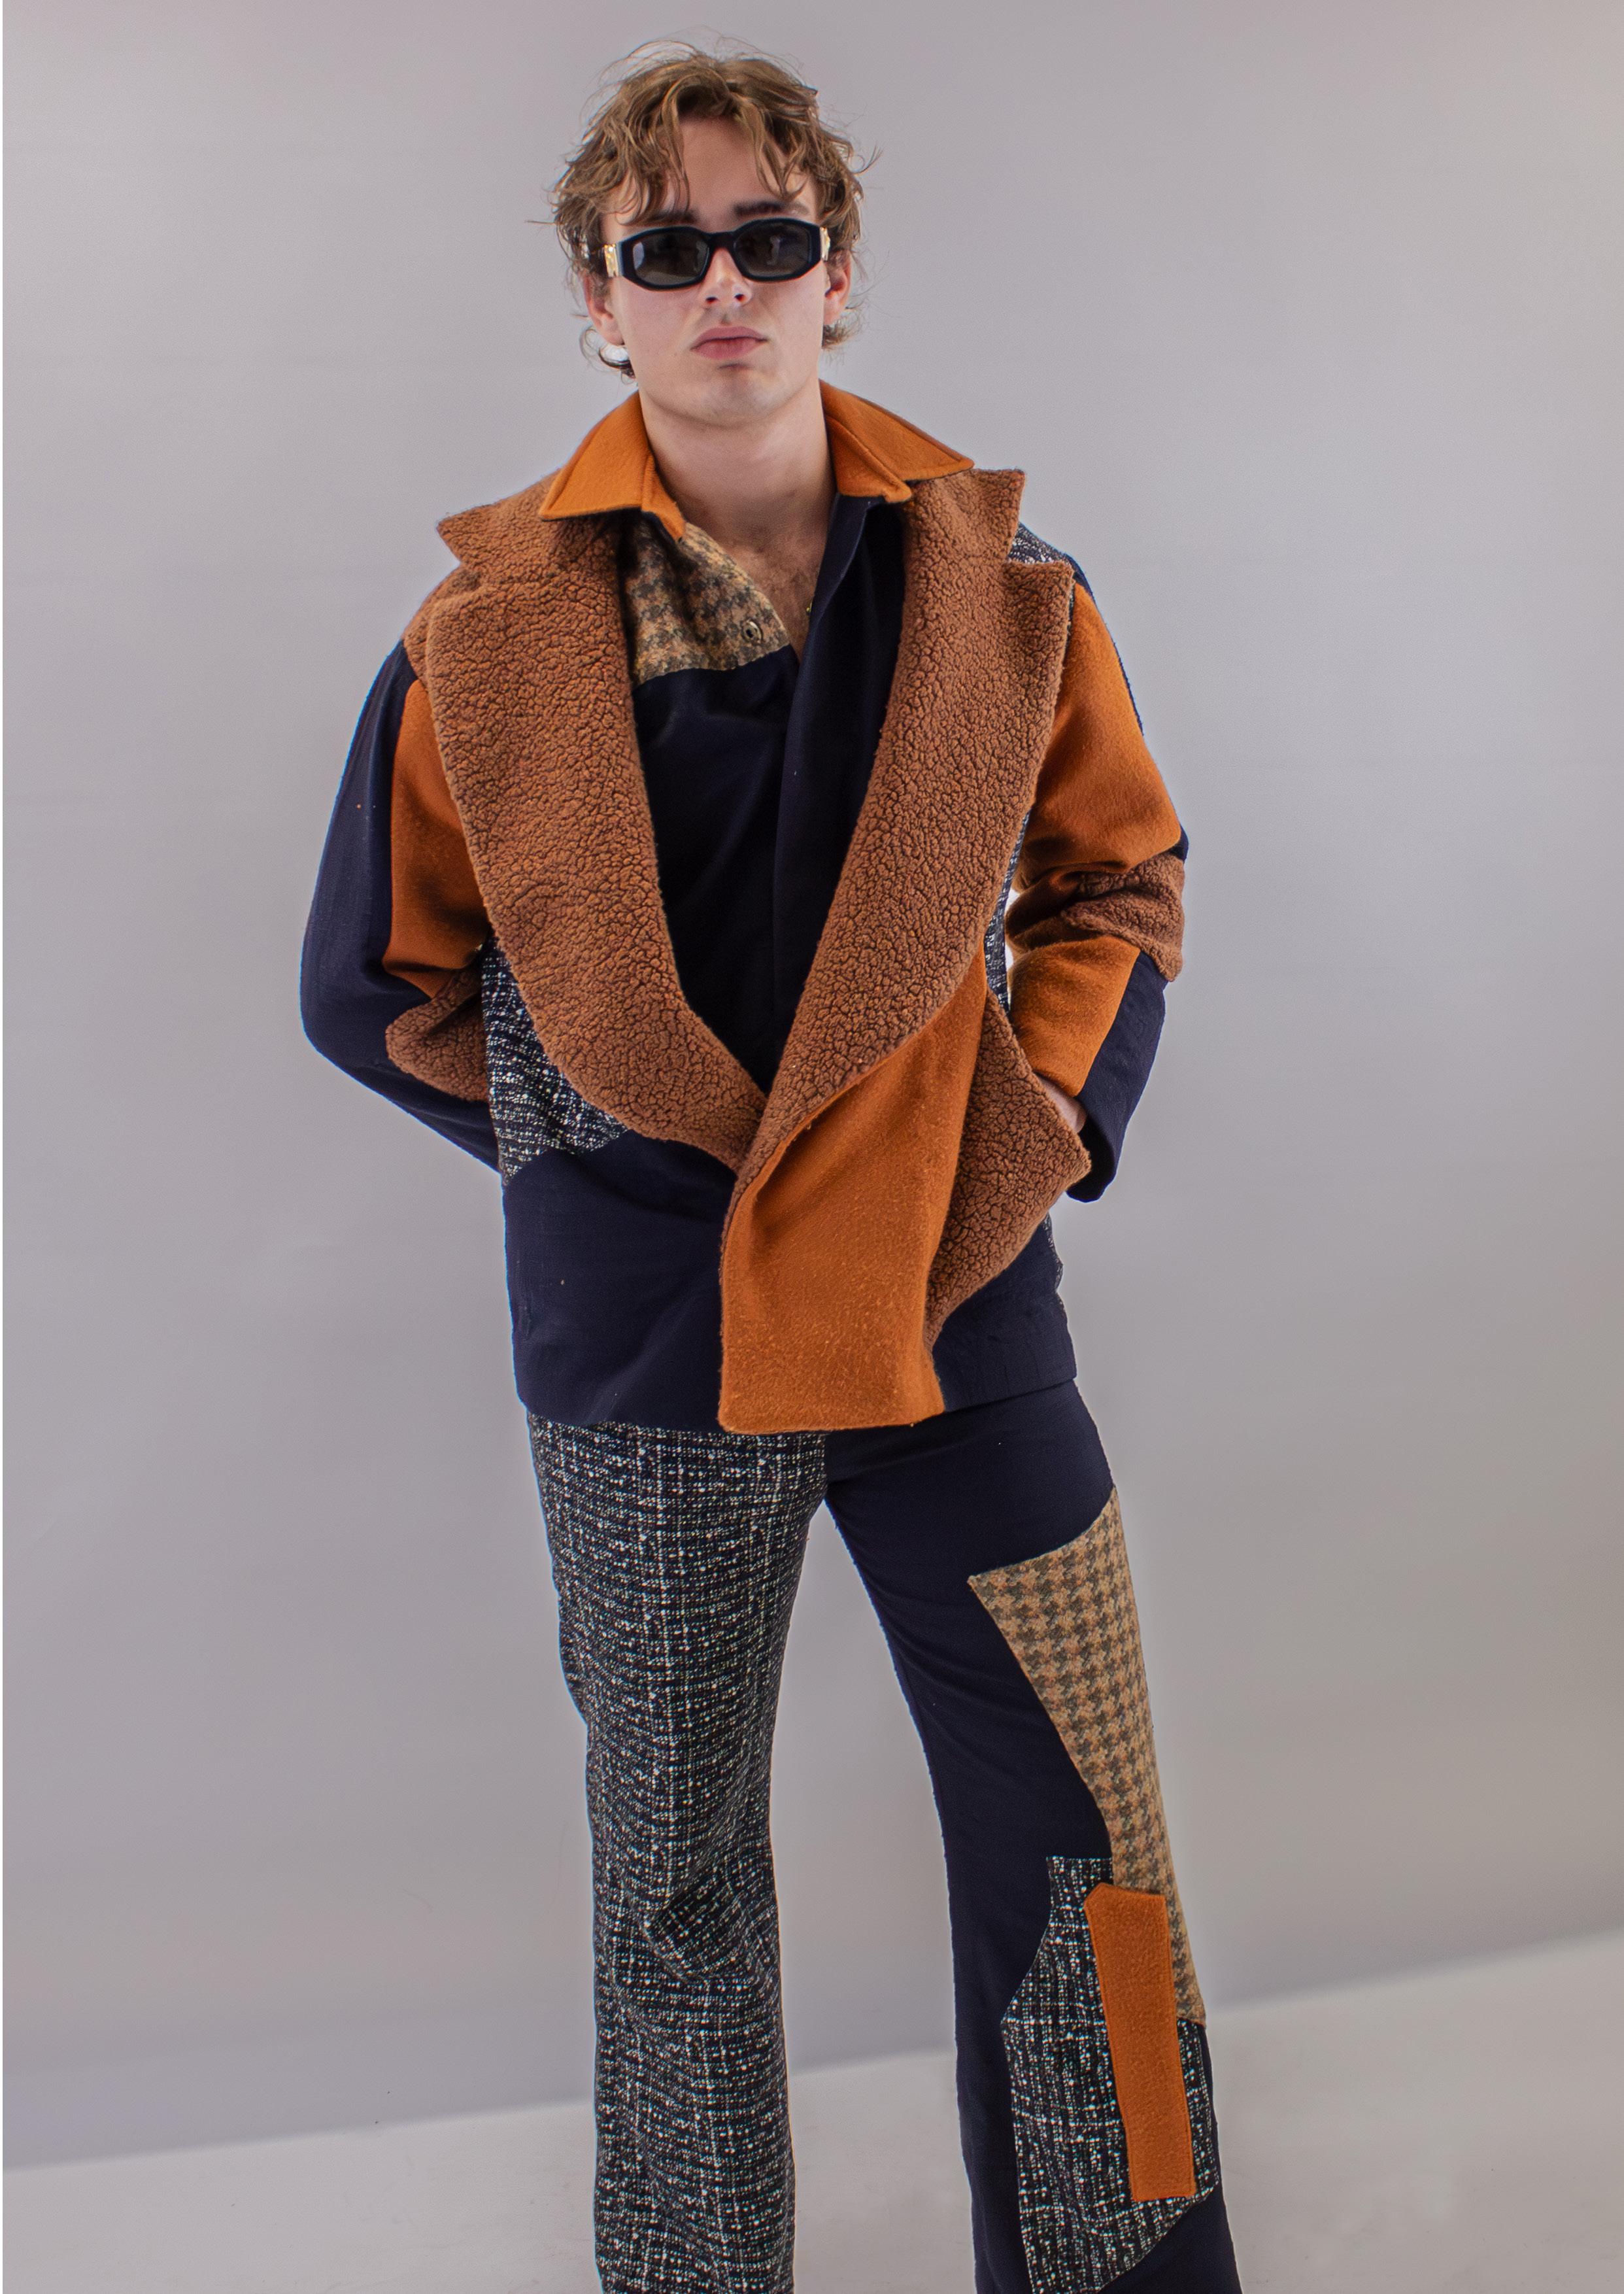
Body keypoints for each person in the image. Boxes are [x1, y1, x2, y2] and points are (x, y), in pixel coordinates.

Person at [301, 41, 1242, 2294]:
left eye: (768, 237)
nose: (721, 284)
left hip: (957, 1301)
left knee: (1095, 1845)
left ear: (837, 271)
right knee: (675, 1888)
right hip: (650, 1348)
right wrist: (596, 1161)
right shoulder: (478, 644)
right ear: (597, 300)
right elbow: (379, 984)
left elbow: (1113, 882)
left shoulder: (1008, 589)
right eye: (665, 248)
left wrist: (1018, 1137)